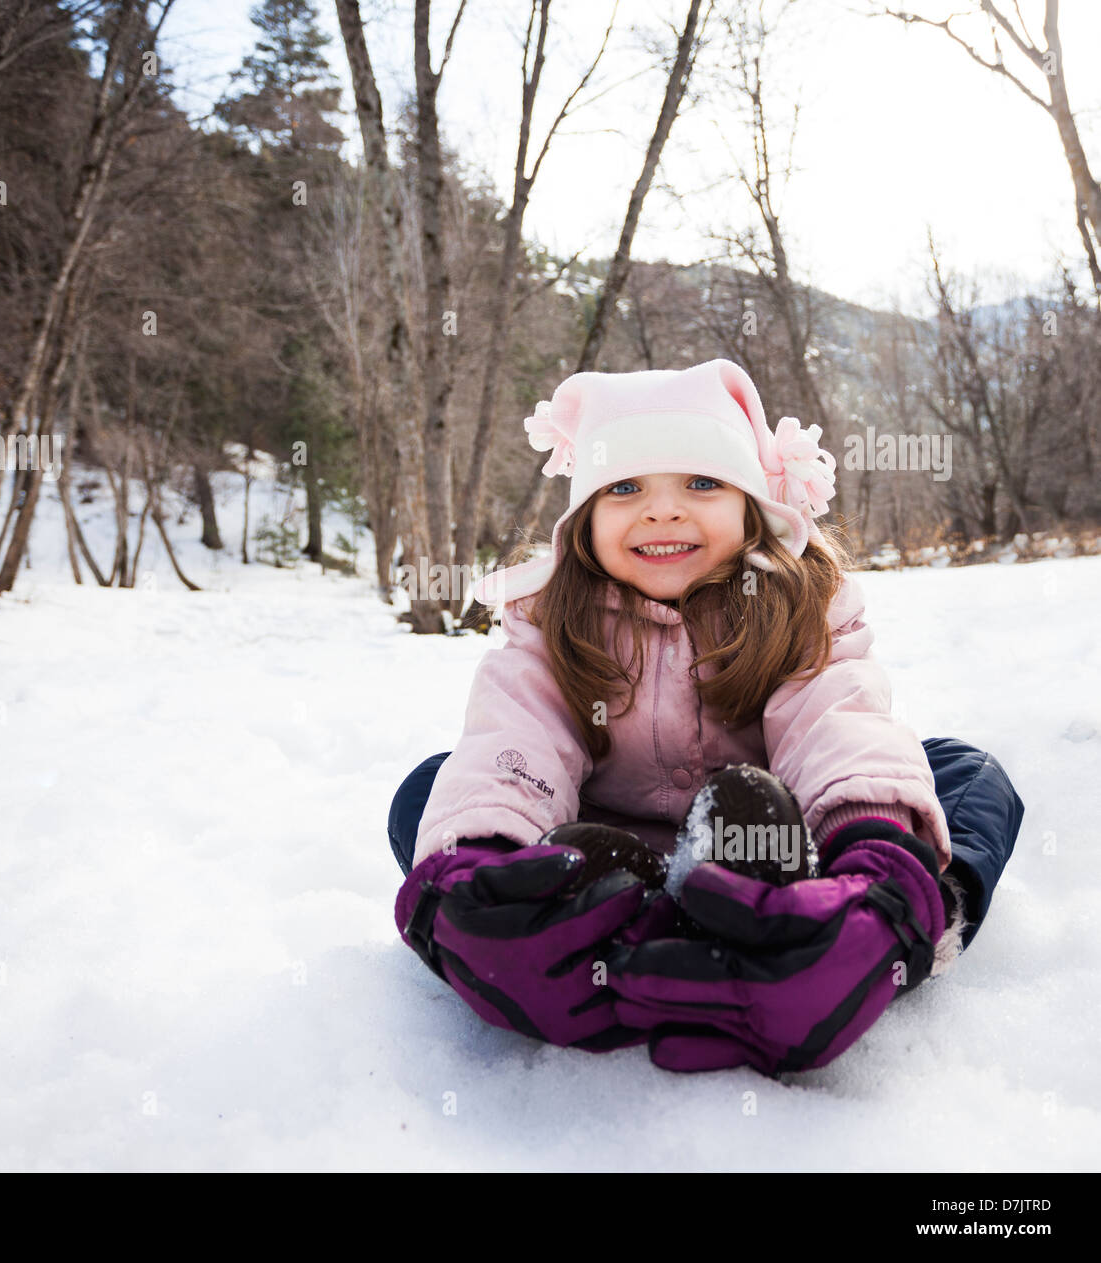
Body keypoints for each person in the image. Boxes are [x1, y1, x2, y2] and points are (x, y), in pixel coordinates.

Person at [388, 360, 1024, 1077]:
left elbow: (834, 722)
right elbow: (516, 734)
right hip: (607, 847)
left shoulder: (796, 600)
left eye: (701, 482)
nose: (662, 510)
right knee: (433, 792)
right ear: (585, 517)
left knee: (964, 774)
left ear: (751, 503)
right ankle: (567, 922)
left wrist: (877, 855)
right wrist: (472, 861)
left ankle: (888, 920)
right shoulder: (552, 621)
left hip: (784, 847)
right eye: (625, 487)